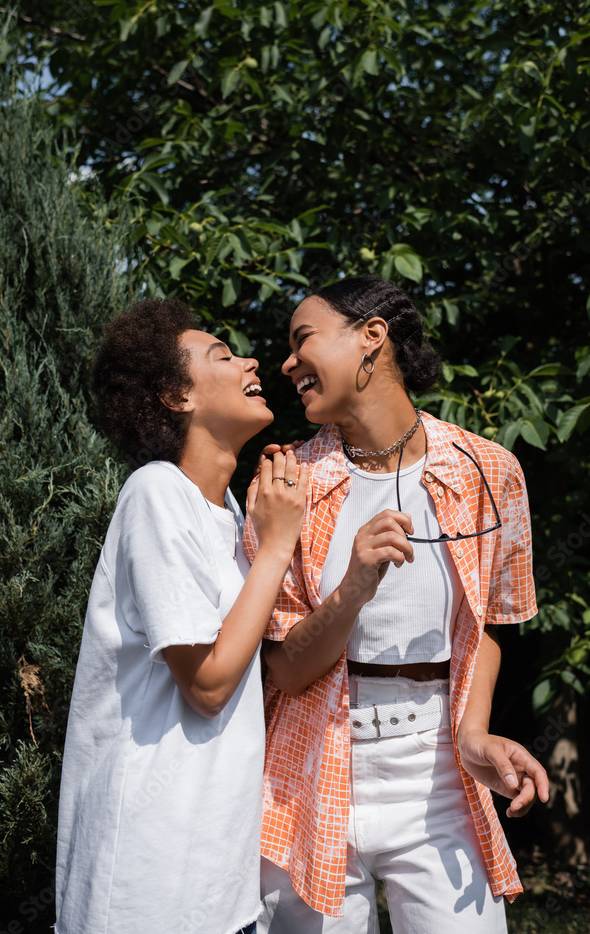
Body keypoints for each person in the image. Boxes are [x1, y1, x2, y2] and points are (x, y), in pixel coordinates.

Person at [242, 275, 549, 933]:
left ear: (370, 338)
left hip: (436, 781)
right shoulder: (285, 482)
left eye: (302, 341)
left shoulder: (487, 473)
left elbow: (490, 624)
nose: (287, 363)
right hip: (309, 774)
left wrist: (473, 737)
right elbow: (284, 671)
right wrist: (354, 586)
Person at [54, 297, 308, 934]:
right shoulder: (155, 492)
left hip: (217, 888)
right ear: (175, 396)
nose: (251, 360)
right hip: (147, 884)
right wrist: (278, 547)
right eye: (222, 355)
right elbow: (208, 686)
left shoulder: (225, 516)